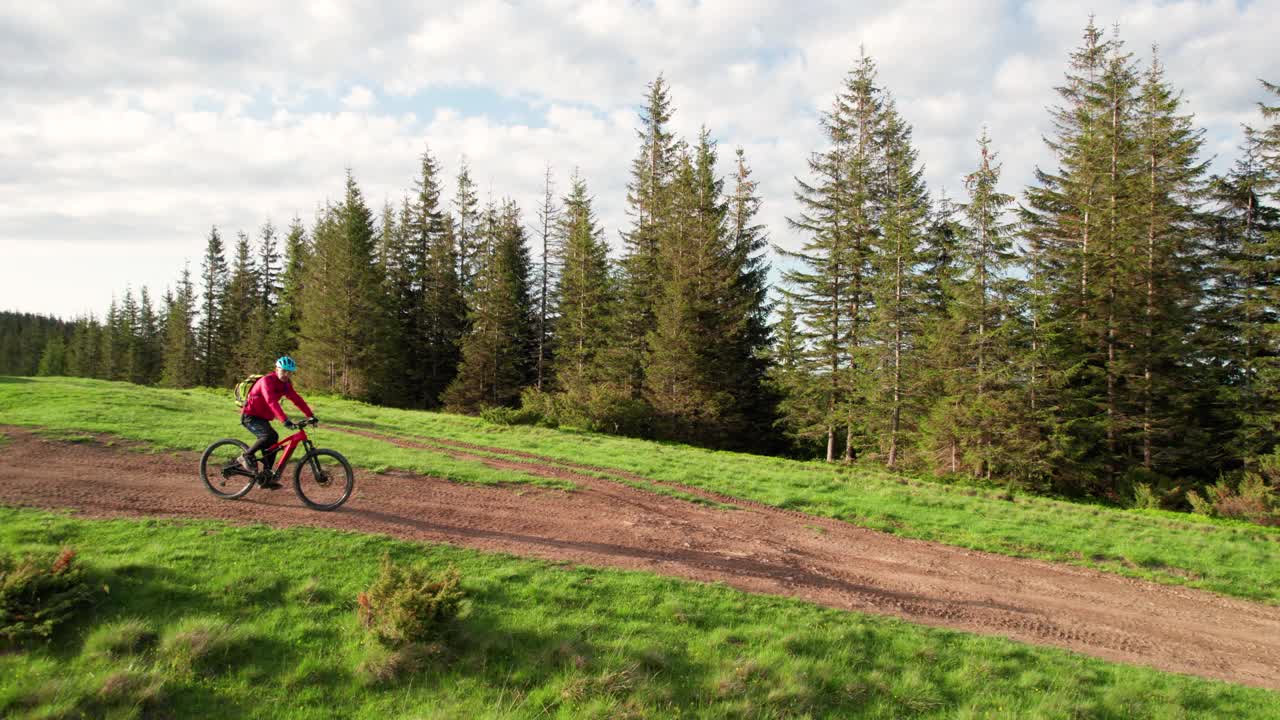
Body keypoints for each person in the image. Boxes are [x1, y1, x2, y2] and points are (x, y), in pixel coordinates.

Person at [239, 356, 316, 488]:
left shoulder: (286, 385)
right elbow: (271, 401)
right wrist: (284, 420)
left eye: (290, 372)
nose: (287, 374)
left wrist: (311, 415)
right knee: (267, 436)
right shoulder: (266, 381)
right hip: (250, 416)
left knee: (273, 440)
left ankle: (266, 477)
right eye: (284, 371)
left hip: (262, 418)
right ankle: (246, 456)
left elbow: (297, 399)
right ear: (276, 369)